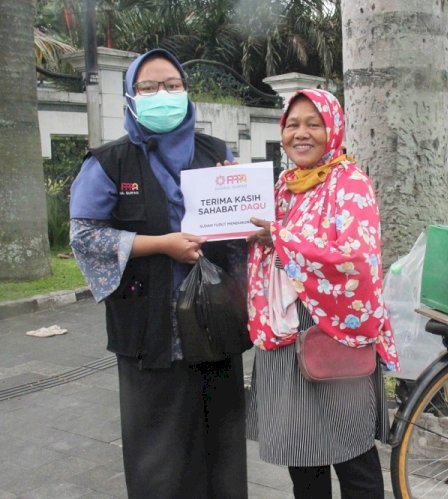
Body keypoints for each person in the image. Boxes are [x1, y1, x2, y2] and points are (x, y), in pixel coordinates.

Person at [69, 48, 250, 498]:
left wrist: (244, 200)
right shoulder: (109, 162)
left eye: (171, 85)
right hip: (150, 329)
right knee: (160, 455)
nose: (162, 95)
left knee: (219, 444)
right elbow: (85, 236)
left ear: (186, 92)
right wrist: (162, 246)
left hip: (214, 324)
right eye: (148, 87)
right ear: (131, 97)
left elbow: (240, 236)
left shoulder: (216, 152)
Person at [245, 88, 399, 499]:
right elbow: (259, 234)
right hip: (284, 339)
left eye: (313, 123)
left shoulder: (350, 184)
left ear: (332, 129)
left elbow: (357, 260)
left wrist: (281, 239)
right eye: (293, 124)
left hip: (333, 334)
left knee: (353, 455)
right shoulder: (283, 186)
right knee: (302, 456)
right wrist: (232, 193)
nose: (302, 133)